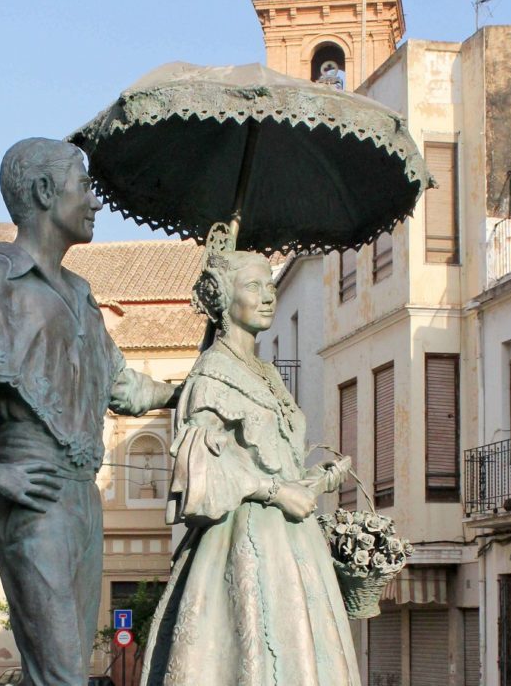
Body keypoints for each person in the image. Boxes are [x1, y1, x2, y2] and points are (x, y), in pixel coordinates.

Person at [0, 138, 174, 686]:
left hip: (81, 498)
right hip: (36, 490)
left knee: (57, 672)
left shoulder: (81, 294)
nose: (95, 202)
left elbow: (125, 389)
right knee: (63, 677)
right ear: (46, 192)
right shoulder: (0, 278)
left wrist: (196, 382)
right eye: (85, 186)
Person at [140, 250, 360, 686]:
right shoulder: (212, 372)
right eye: (253, 287)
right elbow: (198, 462)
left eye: (271, 286)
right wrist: (277, 492)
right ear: (224, 298)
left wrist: (315, 481)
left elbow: (275, 459)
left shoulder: (267, 373)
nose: (268, 297)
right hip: (241, 540)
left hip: (296, 545)